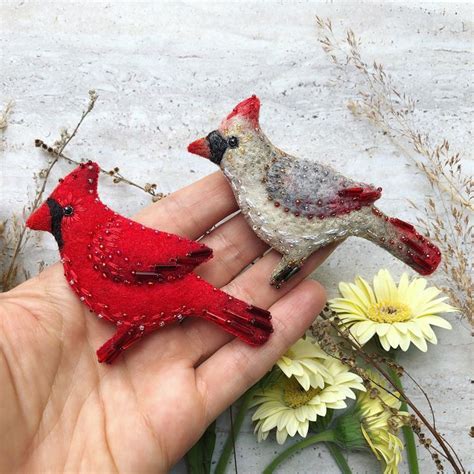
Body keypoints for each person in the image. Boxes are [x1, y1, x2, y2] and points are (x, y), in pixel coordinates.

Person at [0, 172, 328, 472]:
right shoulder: (80, 254)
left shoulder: (102, 242)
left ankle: (245, 320)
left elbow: (158, 265)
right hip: (144, 314)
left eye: (67, 213)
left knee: (218, 308)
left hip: (172, 289)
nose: (57, 221)